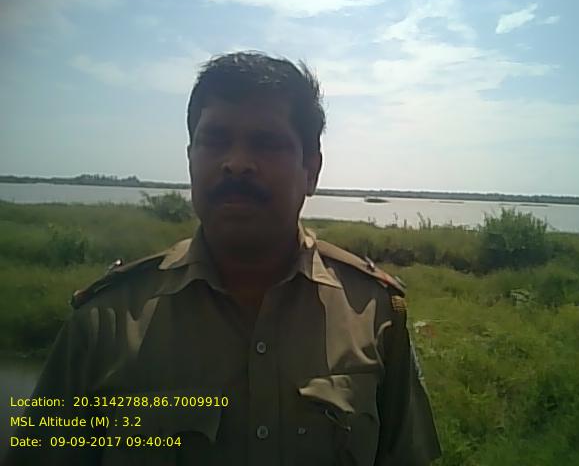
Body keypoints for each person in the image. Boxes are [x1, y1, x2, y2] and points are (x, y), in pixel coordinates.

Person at [4, 51, 441, 465]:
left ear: (312, 171)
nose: (236, 163)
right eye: (215, 140)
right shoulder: (106, 323)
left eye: (266, 142)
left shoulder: (375, 314)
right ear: (191, 159)